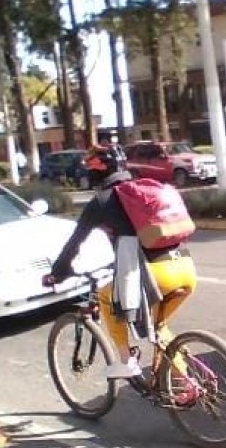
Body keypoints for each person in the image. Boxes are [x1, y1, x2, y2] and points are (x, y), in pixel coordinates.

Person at [49, 145, 197, 383]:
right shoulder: (145, 189)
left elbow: (74, 243)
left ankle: (126, 362)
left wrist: (58, 272)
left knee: (106, 295)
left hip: (154, 275)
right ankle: (188, 387)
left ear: (96, 172)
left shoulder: (102, 201)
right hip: (184, 269)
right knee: (159, 329)